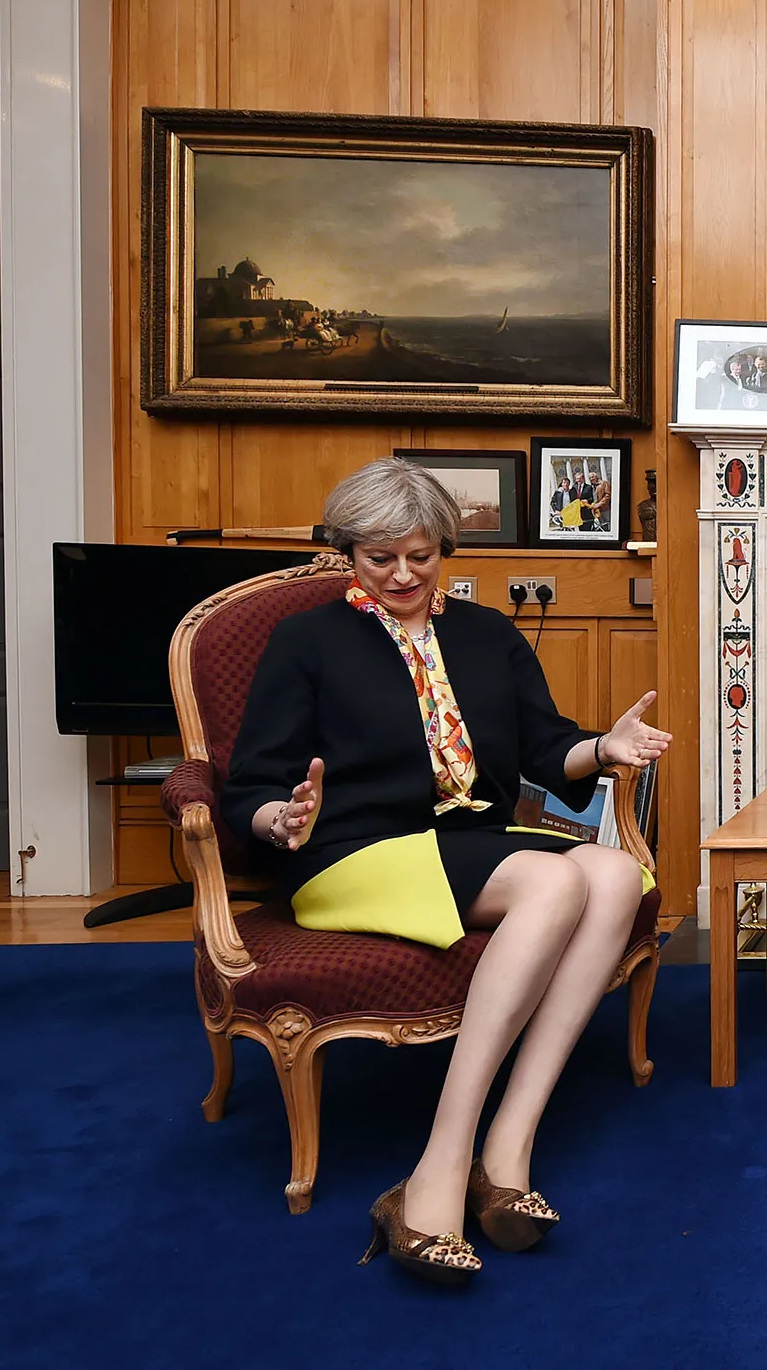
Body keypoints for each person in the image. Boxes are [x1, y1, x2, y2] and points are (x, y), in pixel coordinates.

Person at [221, 458, 673, 1282]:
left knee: (611, 875)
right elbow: (249, 784)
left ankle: (509, 1147)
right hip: (353, 849)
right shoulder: (307, 641)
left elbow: (546, 748)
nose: (402, 574)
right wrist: (279, 816)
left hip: (468, 840)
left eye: (420, 556)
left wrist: (604, 747)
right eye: (379, 557)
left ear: (446, 551)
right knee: (559, 877)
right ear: (347, 553)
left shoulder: (487, 634)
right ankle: (438, 1165)